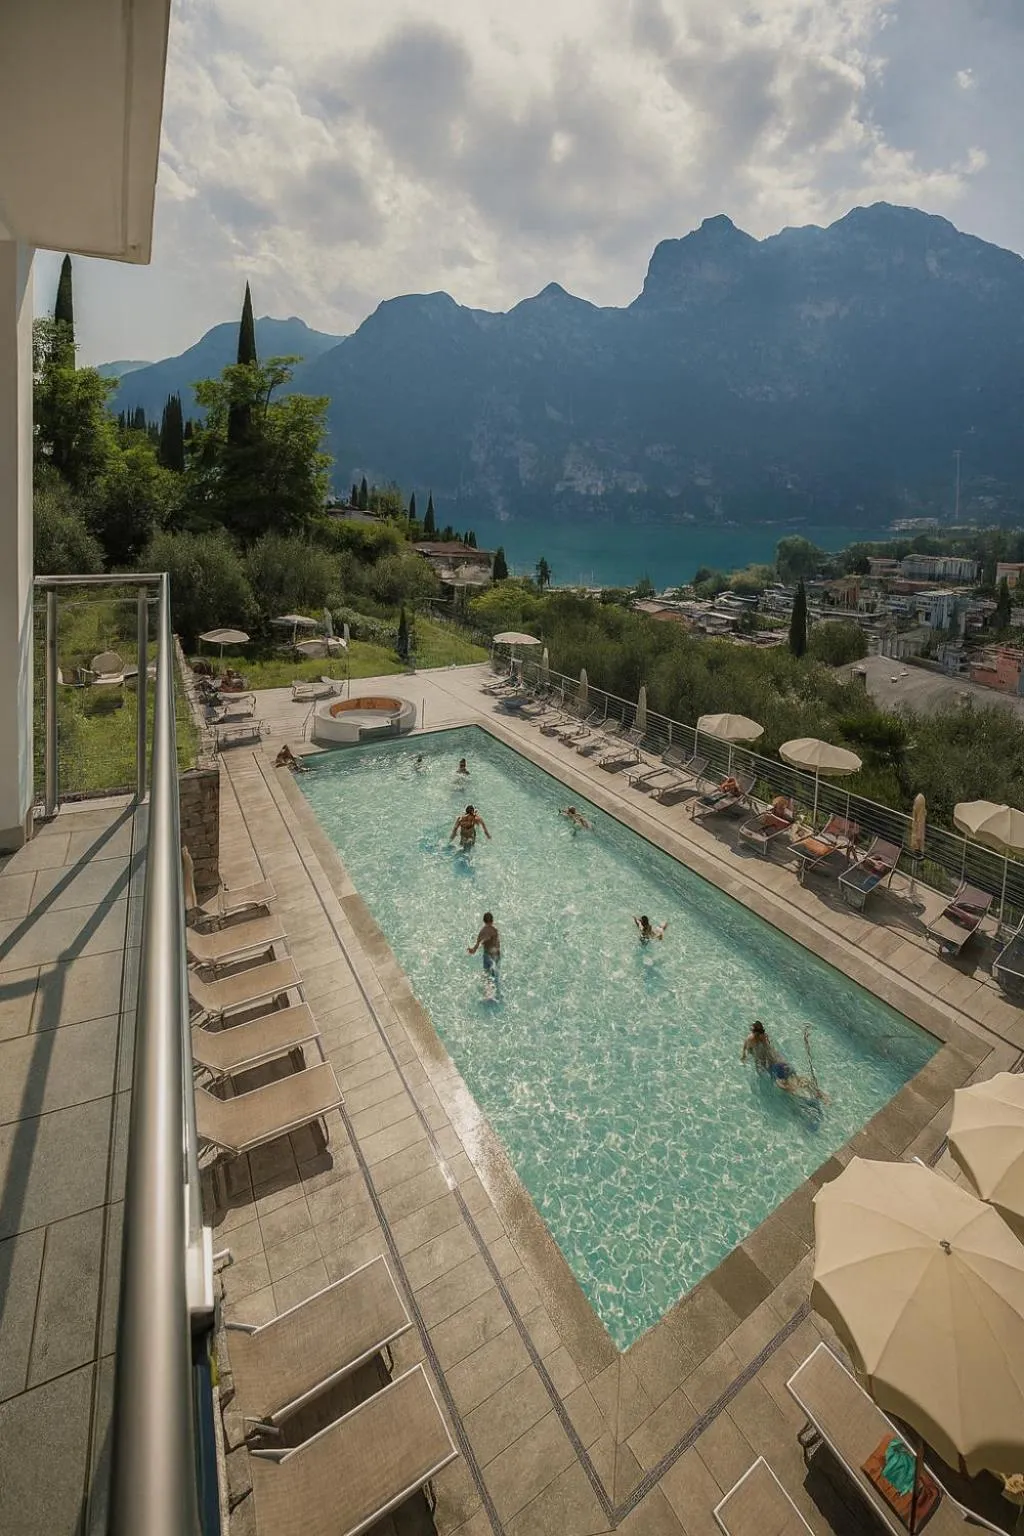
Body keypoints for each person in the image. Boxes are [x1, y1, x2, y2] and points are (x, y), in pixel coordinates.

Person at [741, 1021, 825, 1099]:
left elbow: (759, 1053)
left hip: (776, 1066)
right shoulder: (760, 1038)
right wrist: (744, 1056)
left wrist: (745, 1057)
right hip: (781, 1063)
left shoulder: (753, 1039)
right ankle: (818, 1093)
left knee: (785, 1085)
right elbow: (766, 1050)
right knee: (797, 1080)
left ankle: (805, 1094)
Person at [468, 911, 501, 978]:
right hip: (495, 955)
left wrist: (472, 950)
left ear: (484, 921)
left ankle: (487, 986)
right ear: (492, 920)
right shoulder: (494, 930)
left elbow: (475, 947)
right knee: (494, 976)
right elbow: (496, 943)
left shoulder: (482, 931)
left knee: (487, 977)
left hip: (487, 955)